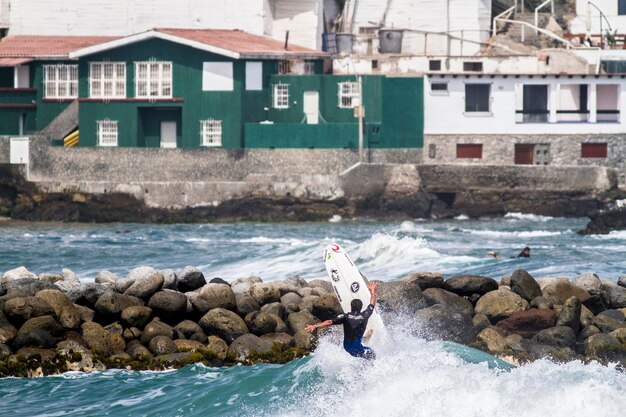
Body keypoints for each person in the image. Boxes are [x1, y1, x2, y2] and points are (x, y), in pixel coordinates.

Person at [305, 281, 378, 360]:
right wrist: (372, 291)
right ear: (361, 308)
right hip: (356, 349)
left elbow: (329, 322)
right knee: (372, 354)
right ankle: (368, 370)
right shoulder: (365, 315)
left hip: (347, 347)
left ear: (351, 307)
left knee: (361, 343)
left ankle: (364, 340)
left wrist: (315, 326)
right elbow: (372, 303)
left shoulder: (344, 316)